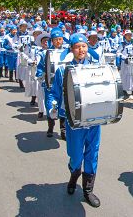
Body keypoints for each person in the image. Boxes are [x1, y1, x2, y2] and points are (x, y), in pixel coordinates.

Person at [48, 33, 101, 208]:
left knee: (92, 154)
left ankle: (87, 190)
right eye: (77, 46)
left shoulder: (96, 67)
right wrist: (53, 106)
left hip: (93, 119)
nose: (81, 50)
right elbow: (54, 93)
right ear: (71, 49)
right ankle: (73, 176)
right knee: (76, 155)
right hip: (73, 120)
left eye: (84, 46)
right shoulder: (63, 70)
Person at [117, 30, 133, 99]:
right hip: (125, 63)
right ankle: (124, 91)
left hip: (132, 62)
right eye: (128, 35)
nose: (129, 36)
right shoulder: (122, 44)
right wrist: (124, 57)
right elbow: (118, 53)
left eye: (130, 35)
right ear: (125, 36)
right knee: (124, 76)